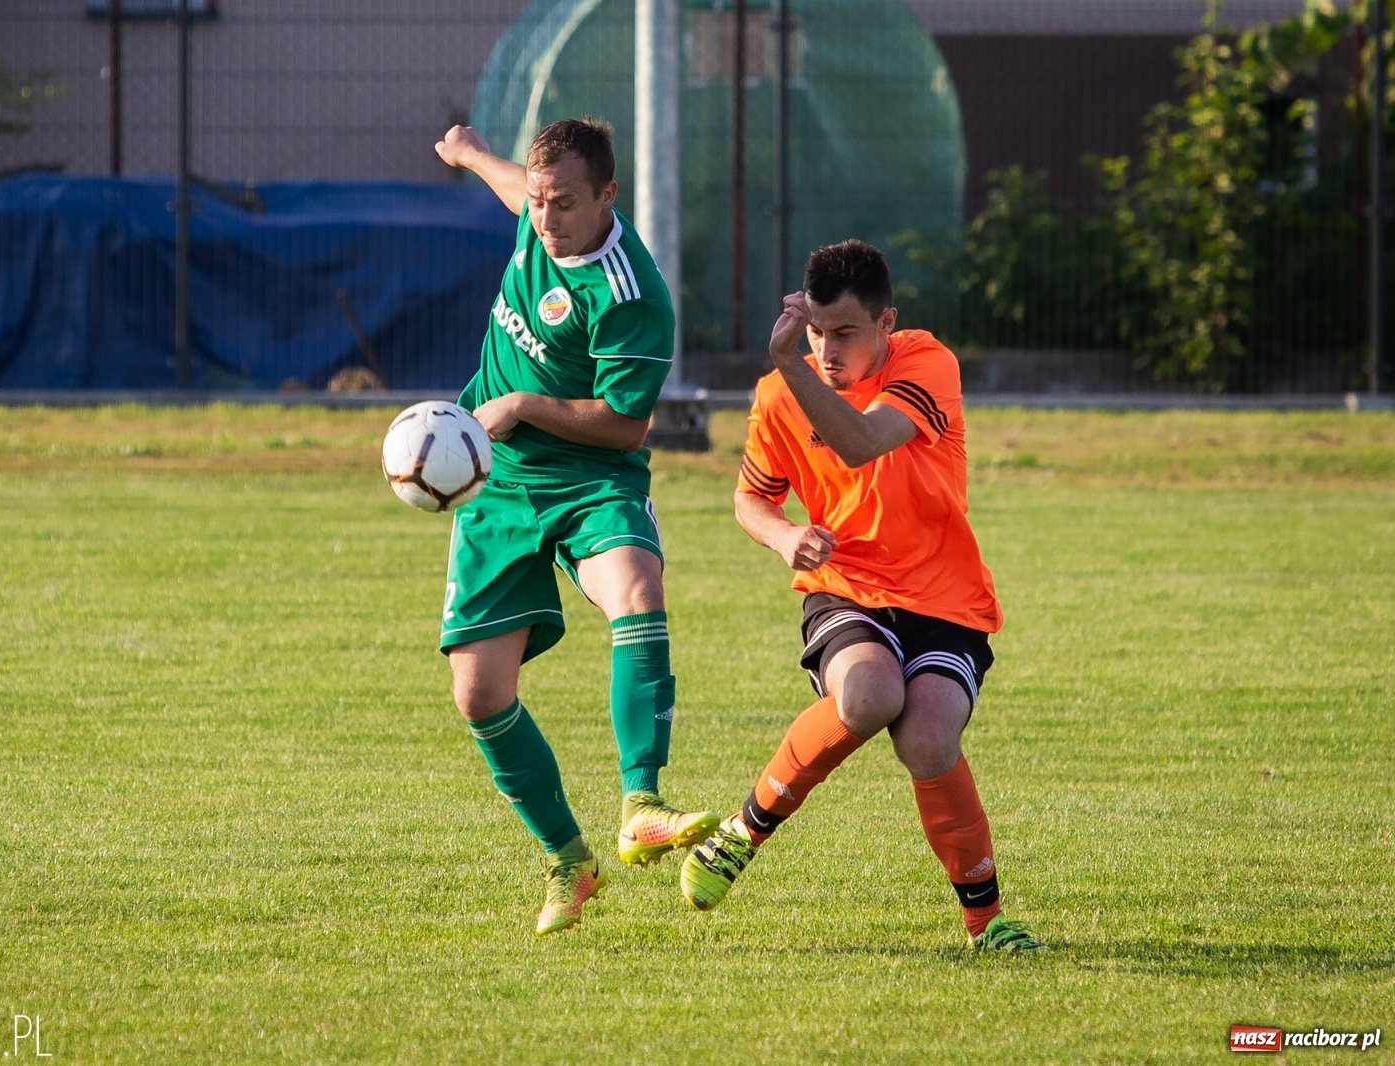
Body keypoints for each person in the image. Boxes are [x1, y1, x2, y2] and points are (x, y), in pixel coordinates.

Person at [677, 239, 1043, 951]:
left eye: (845, 333)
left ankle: (987, 922)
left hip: (945, 599)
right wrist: (784, 539)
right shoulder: (779, 393)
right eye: (815, 332)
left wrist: (790, 363)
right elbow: (751, 499)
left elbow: (861, 443)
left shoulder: (927, 363)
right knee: (869, 695)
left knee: (930, 735)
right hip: (848, 591)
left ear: (887, 323)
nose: (827, 348)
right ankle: (744, 830)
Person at [432, 117, 719, 935]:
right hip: (497, 481)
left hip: (592, 476)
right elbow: (509, 183)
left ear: (607, 197)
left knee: (637, 586)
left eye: (564, 204)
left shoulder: (633, 295)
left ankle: (643, 800)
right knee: (480, 694)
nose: (546, 219)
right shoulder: (534, 204)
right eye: (539, 201)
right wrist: (465, 152)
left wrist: (521, 404)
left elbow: (626, 425)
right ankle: (568, 858)